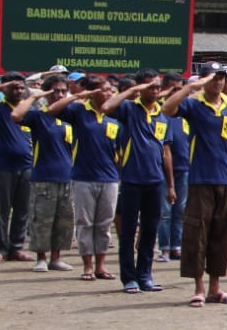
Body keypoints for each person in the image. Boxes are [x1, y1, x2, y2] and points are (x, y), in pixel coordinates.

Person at [161, 63, 227, 306]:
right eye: (213, 78)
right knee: (197, 233)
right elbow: (167, 109)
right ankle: (198, 287)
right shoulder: (194, 105)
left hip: (224, 179)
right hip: (199, 178)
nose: (218, 82)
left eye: (221, 78)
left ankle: (215, 287)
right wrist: (192, 87)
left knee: (221, 234)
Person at [45, 76, 121, 282]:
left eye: (111, 90)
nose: (109, 93)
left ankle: (101, 266)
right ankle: (87, 266)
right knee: (85, 223)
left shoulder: (114, 115)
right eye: (105, 90)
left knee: (104, 225)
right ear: (94, 92)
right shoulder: (79, 112)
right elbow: (53, 110)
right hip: (83, 177)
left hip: (110, 178)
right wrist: (79, 96)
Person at [103, 71, 168, 293]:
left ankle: (145, 275)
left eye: (158, 87)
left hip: (156, 181)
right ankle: (129, 278)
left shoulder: (162, 114)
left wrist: (170, 185)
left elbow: (165, 150)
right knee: (128, 232)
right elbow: (106, 108)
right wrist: (130, 92)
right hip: (132, 180)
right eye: (150, 87)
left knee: (150, 232)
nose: (156, 91)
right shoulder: (129, 109)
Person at [10, 76, 75, 272]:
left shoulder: (70, 117)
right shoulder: (39, 116)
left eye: (63, 91)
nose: (60, 95)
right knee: (41, 219)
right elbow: (16, 115)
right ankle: (41, 258)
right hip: (44, 176)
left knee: (62, 221)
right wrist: (37, 96)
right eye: (55, 91)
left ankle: (56, 258)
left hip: (67, 176)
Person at [0, 72, 34, 263]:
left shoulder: (28, 110)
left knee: (22, 210)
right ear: (5, 89)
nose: (19, 91)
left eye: (21, 87)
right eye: (14, 87)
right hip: (3, 166)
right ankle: (2, 249)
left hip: (27, 166)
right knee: (2, 210)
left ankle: (16, 248)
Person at [156, 72, 189, 263]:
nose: (178, 93)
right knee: (165, 211)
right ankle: (165, 248)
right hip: (163, 169)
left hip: (185, 168)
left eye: (180, 89)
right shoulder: (161, 113)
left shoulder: (185, 114)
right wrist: (169, 183)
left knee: (181, 210)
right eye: (173, 89)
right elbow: (164, 148)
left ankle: (177, 246)